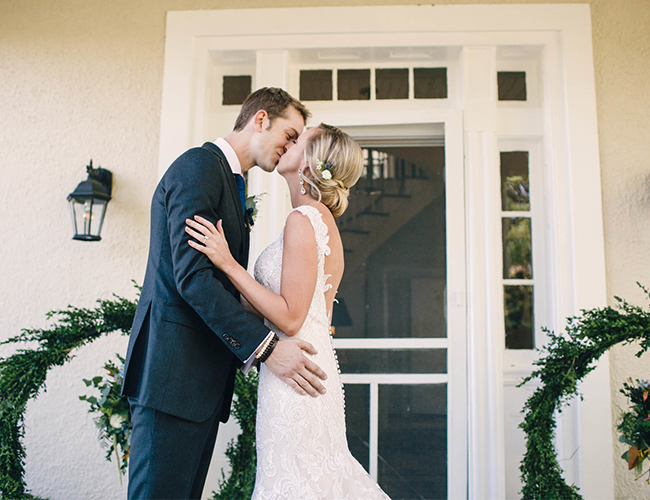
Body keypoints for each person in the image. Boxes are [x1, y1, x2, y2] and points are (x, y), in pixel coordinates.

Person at [122, 88, 329, 500]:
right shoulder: (200, 167)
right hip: (172, 379)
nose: (291, 146)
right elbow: (193, 278)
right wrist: (268, 348)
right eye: (289, 134)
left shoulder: (230, 181)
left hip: (194, 385)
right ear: (260, 120)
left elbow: (223, 287)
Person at [185, 123, 392, 499]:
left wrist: (228, 264)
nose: (290, 143)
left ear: (311, 165)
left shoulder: (304, 221)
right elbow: (309, 316)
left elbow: (291, 317)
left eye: (301, 140)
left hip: (296, 375)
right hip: (304, 368)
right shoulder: (320, 223)